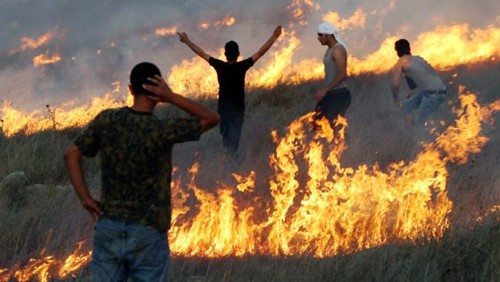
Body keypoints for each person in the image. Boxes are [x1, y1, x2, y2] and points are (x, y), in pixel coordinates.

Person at [64, 62, 220, 281]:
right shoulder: (161, 129)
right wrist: (172, 97)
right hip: (148, 231)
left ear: (130, 89)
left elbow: (71, 154)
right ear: (158, 93)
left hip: (109, 226)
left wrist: (85, 198)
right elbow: (212, 118)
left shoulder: (107, 120)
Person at [177, 25, 282, 154]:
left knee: (226, 138)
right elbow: (261, 52)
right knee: (234, 139)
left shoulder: (219, 66)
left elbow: (201, 53)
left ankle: (229, 160)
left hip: (223, 110)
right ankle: (232, 160)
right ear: (238, 54)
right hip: (238, 110)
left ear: (225, 54)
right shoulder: (242, 66)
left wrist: (187, 41)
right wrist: (274, 36)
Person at [391, 39, 447, 129]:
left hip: (432, 94)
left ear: (397, 52)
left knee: (421, 127)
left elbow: (394, 84)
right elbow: (421, 81)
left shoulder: (400, 63)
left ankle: (415, 137)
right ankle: (411, 133)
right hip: (437, 91)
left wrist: (396, 99)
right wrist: (411, 94)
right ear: (409, 48)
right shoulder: (419, 59)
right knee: (405, 107)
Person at [313, 22, 352, 129]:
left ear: (329, 35)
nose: (318, 38)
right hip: (331, 94)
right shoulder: (330, 49)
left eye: (320, 35)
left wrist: (325, 90)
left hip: (340, 94)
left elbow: (342, 74)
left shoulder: (338, 50)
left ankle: (346, 145)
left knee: (335, 127)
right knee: (317, 124)